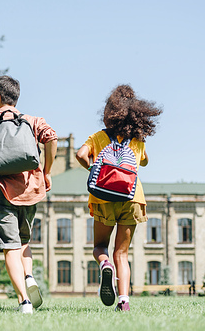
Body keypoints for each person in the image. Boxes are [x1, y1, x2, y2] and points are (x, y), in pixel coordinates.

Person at [0, 76, 58, 314]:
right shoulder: (31, 121)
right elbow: (51, 138)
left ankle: (23, 301)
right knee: (24, 241)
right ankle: (29, 277)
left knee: (10, 247)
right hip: (31, 191)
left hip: (2, 194)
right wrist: (46, 172)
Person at [76, 84, 162, 311]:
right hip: (132, 197)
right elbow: (144, 161)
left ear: (109, 113)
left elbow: (80, 154)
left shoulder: (98, 137)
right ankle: (123, 301)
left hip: (104, 197)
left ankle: (105, 265)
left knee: (100, 247)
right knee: (122, 253)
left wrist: (95, 169)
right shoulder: (137, 140)